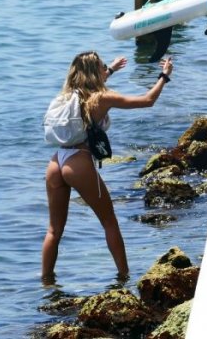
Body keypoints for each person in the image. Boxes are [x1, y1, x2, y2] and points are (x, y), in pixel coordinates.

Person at [41, 51, 174, 283]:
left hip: (56, 162)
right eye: (102, 67)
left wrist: (111, 70)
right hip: (78, 162)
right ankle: (124, 277)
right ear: (95, 73)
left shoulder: (66, 97)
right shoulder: (102, 98)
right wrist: (164, 76)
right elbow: (147, 101)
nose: (105, 70)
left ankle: (46, 283)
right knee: (109, 221)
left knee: (54, 231)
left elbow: (90, 92)